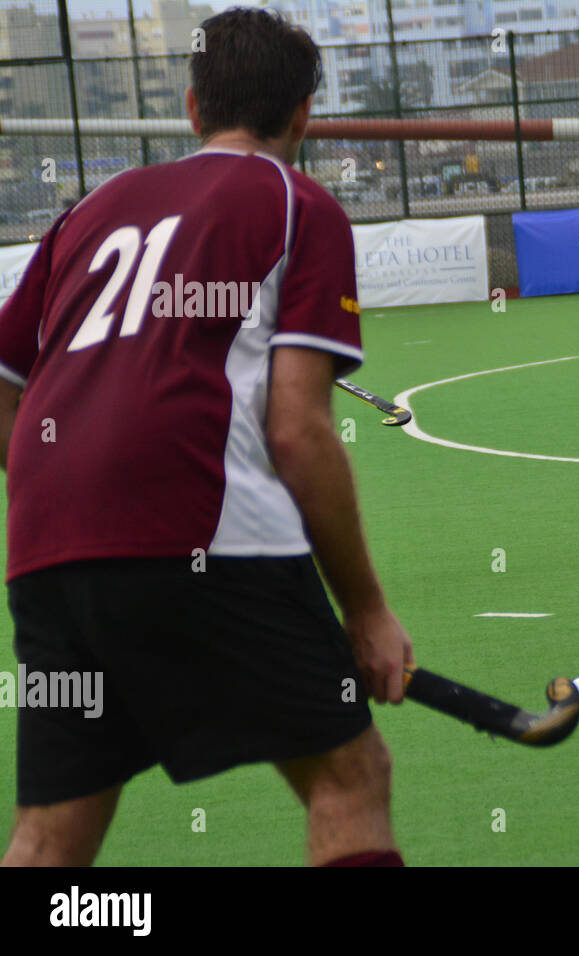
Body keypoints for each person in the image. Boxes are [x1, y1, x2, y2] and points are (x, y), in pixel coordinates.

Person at [0, 8, 412, 866]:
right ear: (304, 115)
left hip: (48, 548)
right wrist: (365, 611)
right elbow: (297, 431)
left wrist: (61, 477)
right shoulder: (299, 204)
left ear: (191, 108)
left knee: (49, 834)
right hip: (204, 533)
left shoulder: (92, 209)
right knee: (349, 777)